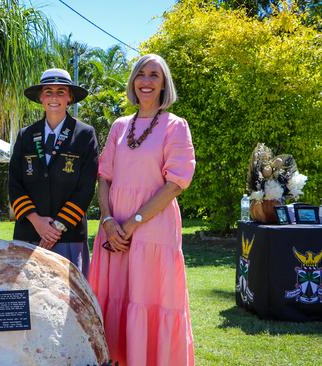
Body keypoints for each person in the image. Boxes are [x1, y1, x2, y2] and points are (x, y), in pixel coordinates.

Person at [88, 54, 196, 366]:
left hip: (153, 231)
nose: (146, 81)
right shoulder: (119, 126)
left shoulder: (176, 126)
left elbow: (175, 183)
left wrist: (133, 223)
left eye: (154, 75)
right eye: (141, 74)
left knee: (150, 300)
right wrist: (108, 220)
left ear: (164, 85)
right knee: (116, 298)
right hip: (114, 231)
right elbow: (104, 177)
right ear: (133, 81)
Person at [8, 68, 98, 277]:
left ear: (70, 97)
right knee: (28, 300)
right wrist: (37, 221)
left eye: (60, 91)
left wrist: (56, 228)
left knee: (69, 302)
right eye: (48, 91)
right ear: (41, 98)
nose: (54, 97)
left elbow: (85, 188)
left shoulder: (84, 134)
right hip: (30, 233)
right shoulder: (26, 135)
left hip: (68, 236)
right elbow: (14, 183)